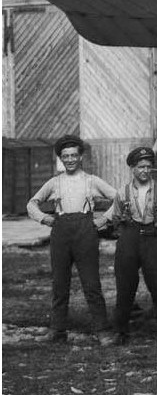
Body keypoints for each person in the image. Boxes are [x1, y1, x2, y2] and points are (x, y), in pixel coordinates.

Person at [25, 134, 118, 345]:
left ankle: (102, 330)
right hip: (60, 233)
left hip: (85, 232)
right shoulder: (54, 182)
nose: (70, 160)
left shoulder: (91, 181)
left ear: (81, 157)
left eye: (74, 155)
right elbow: (31, 204)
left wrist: (103, 219)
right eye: (65, 156)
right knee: (59, 283)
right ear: (60, 158)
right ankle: (57, 330)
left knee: (91, 283)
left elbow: (120, 199)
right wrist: (44, 218)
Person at [103, 146, 157, 345]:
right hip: (129, 237)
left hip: (153, 238)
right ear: (132, 169)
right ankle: (120, 331)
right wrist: (127, 233)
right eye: (140, 167)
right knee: (125, 285)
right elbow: (116, 218)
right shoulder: (123, 192)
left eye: (148, 166)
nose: (144, 170)